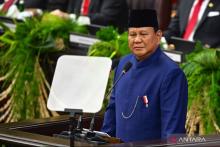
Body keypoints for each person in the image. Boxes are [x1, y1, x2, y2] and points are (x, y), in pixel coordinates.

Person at [101, 9, 188, 142]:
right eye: (132, 34)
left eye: (143, 34)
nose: (137, 40)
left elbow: (172, 131)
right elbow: (111, 112)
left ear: (158, 36)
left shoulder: (171, 74)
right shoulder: (124, 64)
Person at [24, 0, 128, 32]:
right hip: (75, 35)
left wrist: (71, 18)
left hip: (98, 38)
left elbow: (106, 18)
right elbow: (67, 11)